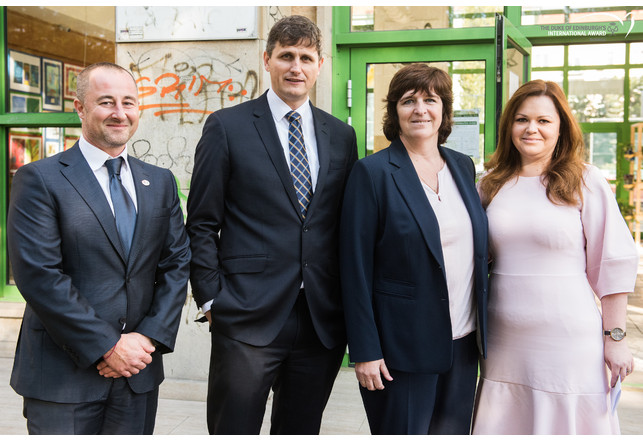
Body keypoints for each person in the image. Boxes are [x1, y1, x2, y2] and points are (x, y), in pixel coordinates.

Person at [186, 15, 358, 435]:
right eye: (286, 56)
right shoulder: (227, 127)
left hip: (320, 319)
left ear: (320, 65)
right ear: (267, 60)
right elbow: (202, 222)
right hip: (245, 314)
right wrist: (211, 300)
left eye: (306, 58)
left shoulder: (342, 135)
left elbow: (344, 224)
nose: (296, 67)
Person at [7, 62, 191, 435]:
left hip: (137, 372)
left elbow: (176, 264)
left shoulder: (159, 181)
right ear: (80, 107)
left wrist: (147, 339)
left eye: (129, 102)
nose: (120, 113)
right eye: (106, 102)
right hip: (62, 377)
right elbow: (40, 276)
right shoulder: (39, 179)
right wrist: (108, 346)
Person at [472, 79, 637, 434]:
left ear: (561, 127)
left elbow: (611, 263)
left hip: (568, 340)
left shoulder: (585, 180)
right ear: (509, 126)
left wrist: (616, 338)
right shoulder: (490, 184)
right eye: (522, 119)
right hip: (503, 343)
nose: (531, 128)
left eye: (543, 120)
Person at [339, 63, 489, 435]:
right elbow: (354, 268)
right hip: (400, 348)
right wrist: (365, 350)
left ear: (444, 109)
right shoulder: (372, 172)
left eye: (430, 100)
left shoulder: (462, 166)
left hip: (463, 342)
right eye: (408, 101)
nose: (420, 109)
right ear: (395, 112)